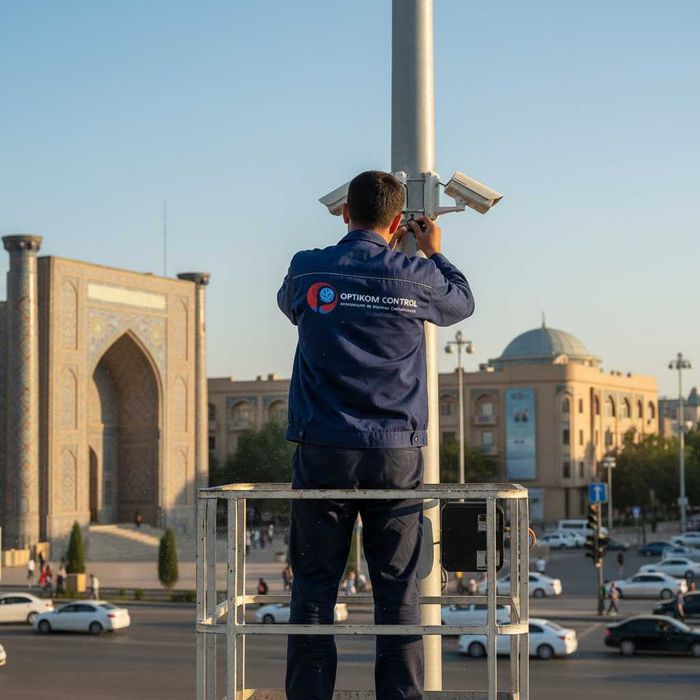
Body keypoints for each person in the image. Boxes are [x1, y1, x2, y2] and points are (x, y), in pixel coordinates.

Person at [278, 170, 474, 700]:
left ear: (345, 212)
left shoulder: (308, 266)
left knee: (314, 592)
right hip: (394, 455)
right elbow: (461, 302)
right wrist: (433, 252)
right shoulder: (417, 275)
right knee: (397, 593)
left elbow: (289, 304)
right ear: (397, 222)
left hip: (322, 450)